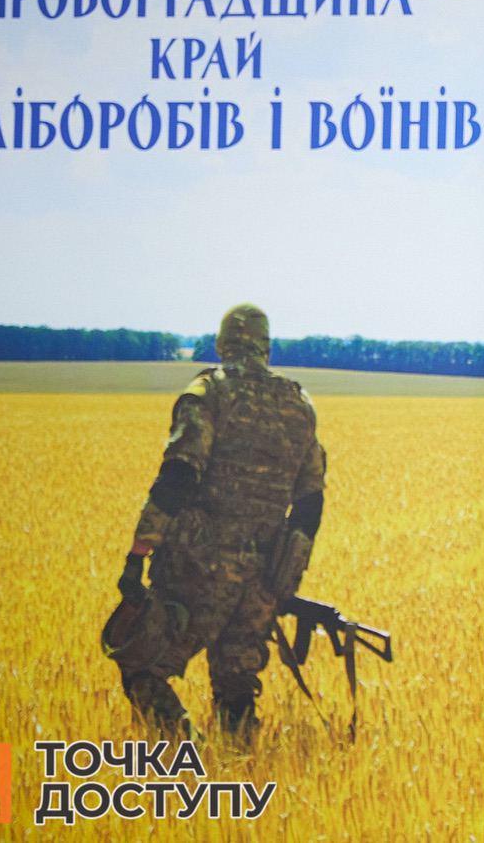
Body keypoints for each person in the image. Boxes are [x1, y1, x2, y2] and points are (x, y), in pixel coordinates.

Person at [108, 303, 327, 743]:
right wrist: (283, 575)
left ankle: (190, 759)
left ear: (222, 344)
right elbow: (310, 503)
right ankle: (239, 774)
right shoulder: (300, 405)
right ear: (266, 348)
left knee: (139, 663)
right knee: (237, 684)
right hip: (265, 572)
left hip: (199, 566)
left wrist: (139, 551)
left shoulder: (209, 392)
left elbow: (180, 474)